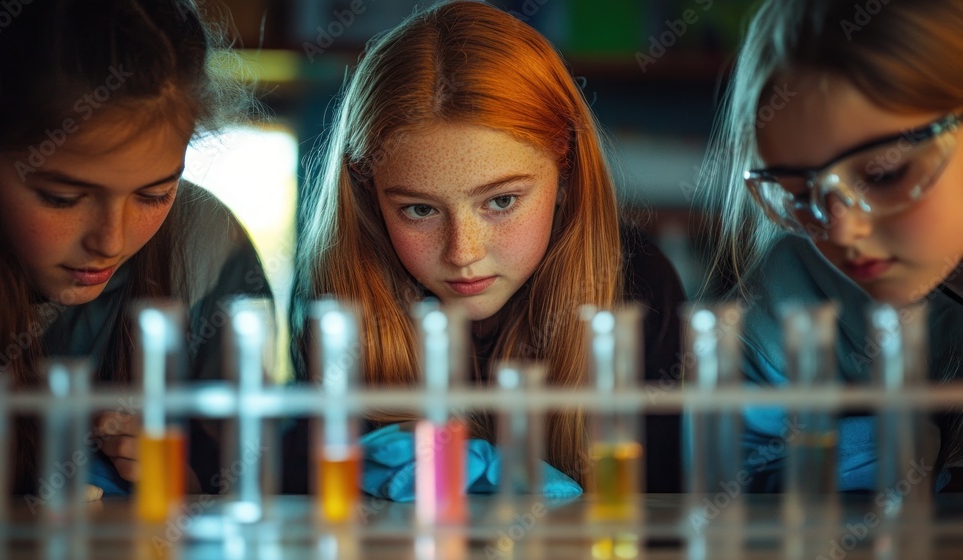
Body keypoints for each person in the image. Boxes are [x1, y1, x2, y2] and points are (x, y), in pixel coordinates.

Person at [291, 0, 685, 497]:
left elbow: (664, 518)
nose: (463, 252)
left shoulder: (639, 288)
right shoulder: (338, 307)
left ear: (565, 176)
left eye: (501, 201)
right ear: (369, 195)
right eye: (419, 209)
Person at [0, 0, 273, 498]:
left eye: (154, 195)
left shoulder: (207, 251)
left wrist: (183, 485)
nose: (110, 242)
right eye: (61, 199)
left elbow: (252, 488)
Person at [698, 0, 963, 492]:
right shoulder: (792, 297)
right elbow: (741, 487)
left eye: (884, 173)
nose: (839, 233)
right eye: (800, 194)